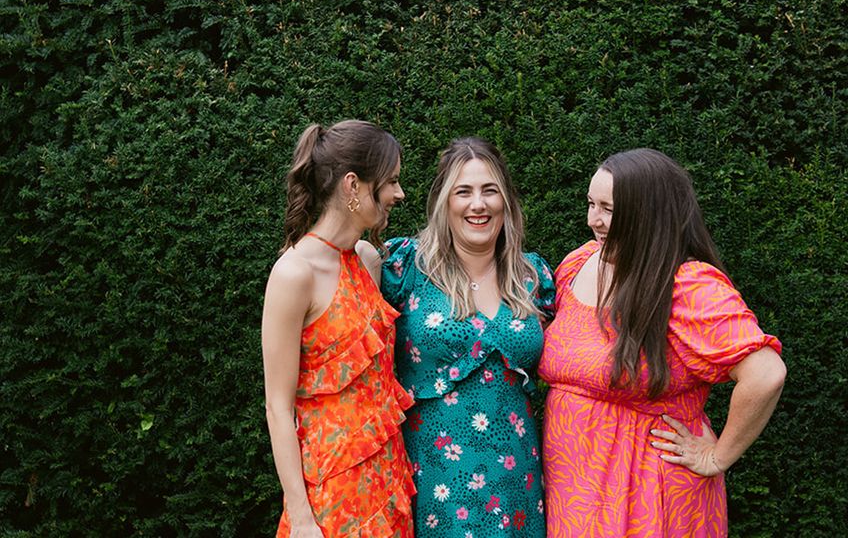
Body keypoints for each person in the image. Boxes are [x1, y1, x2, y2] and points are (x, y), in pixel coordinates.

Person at [539, 148, 786, 538]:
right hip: (572, 490)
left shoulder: (688, 285)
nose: (594, 220)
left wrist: (716, 456)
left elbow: (766, 373)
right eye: (590, 204)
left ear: (646, 214)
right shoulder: (578, 263)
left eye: (608, 209)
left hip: (649, 494)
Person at [381, 137, 555, 538]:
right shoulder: (404, 267)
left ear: (506, 201)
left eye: (489, 190)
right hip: (432, 482)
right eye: (464, 191)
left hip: (517, 484)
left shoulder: (534, 277)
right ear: (444, 201)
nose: (478, 204)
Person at [261, 120, 415, 538]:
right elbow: (278, 406)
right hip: (329, 491)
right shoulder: (294, 273)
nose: (399, 194)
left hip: (388, 479)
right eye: (392, 181)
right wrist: (303, 518)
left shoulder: (367, 258)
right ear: (353, 185)